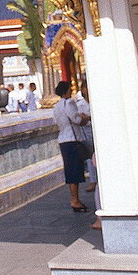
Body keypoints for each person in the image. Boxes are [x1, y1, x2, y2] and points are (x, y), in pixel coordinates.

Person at [53, 81, 89, 211]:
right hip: (72, 139)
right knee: (75, 169)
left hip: (63, 140)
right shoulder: (69, 103)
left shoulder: (56, 106)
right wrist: (87, 118)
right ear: (66, 91)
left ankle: (75, 198)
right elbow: (77, 120)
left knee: (70, 169)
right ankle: (75, 199)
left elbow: (56, 121)